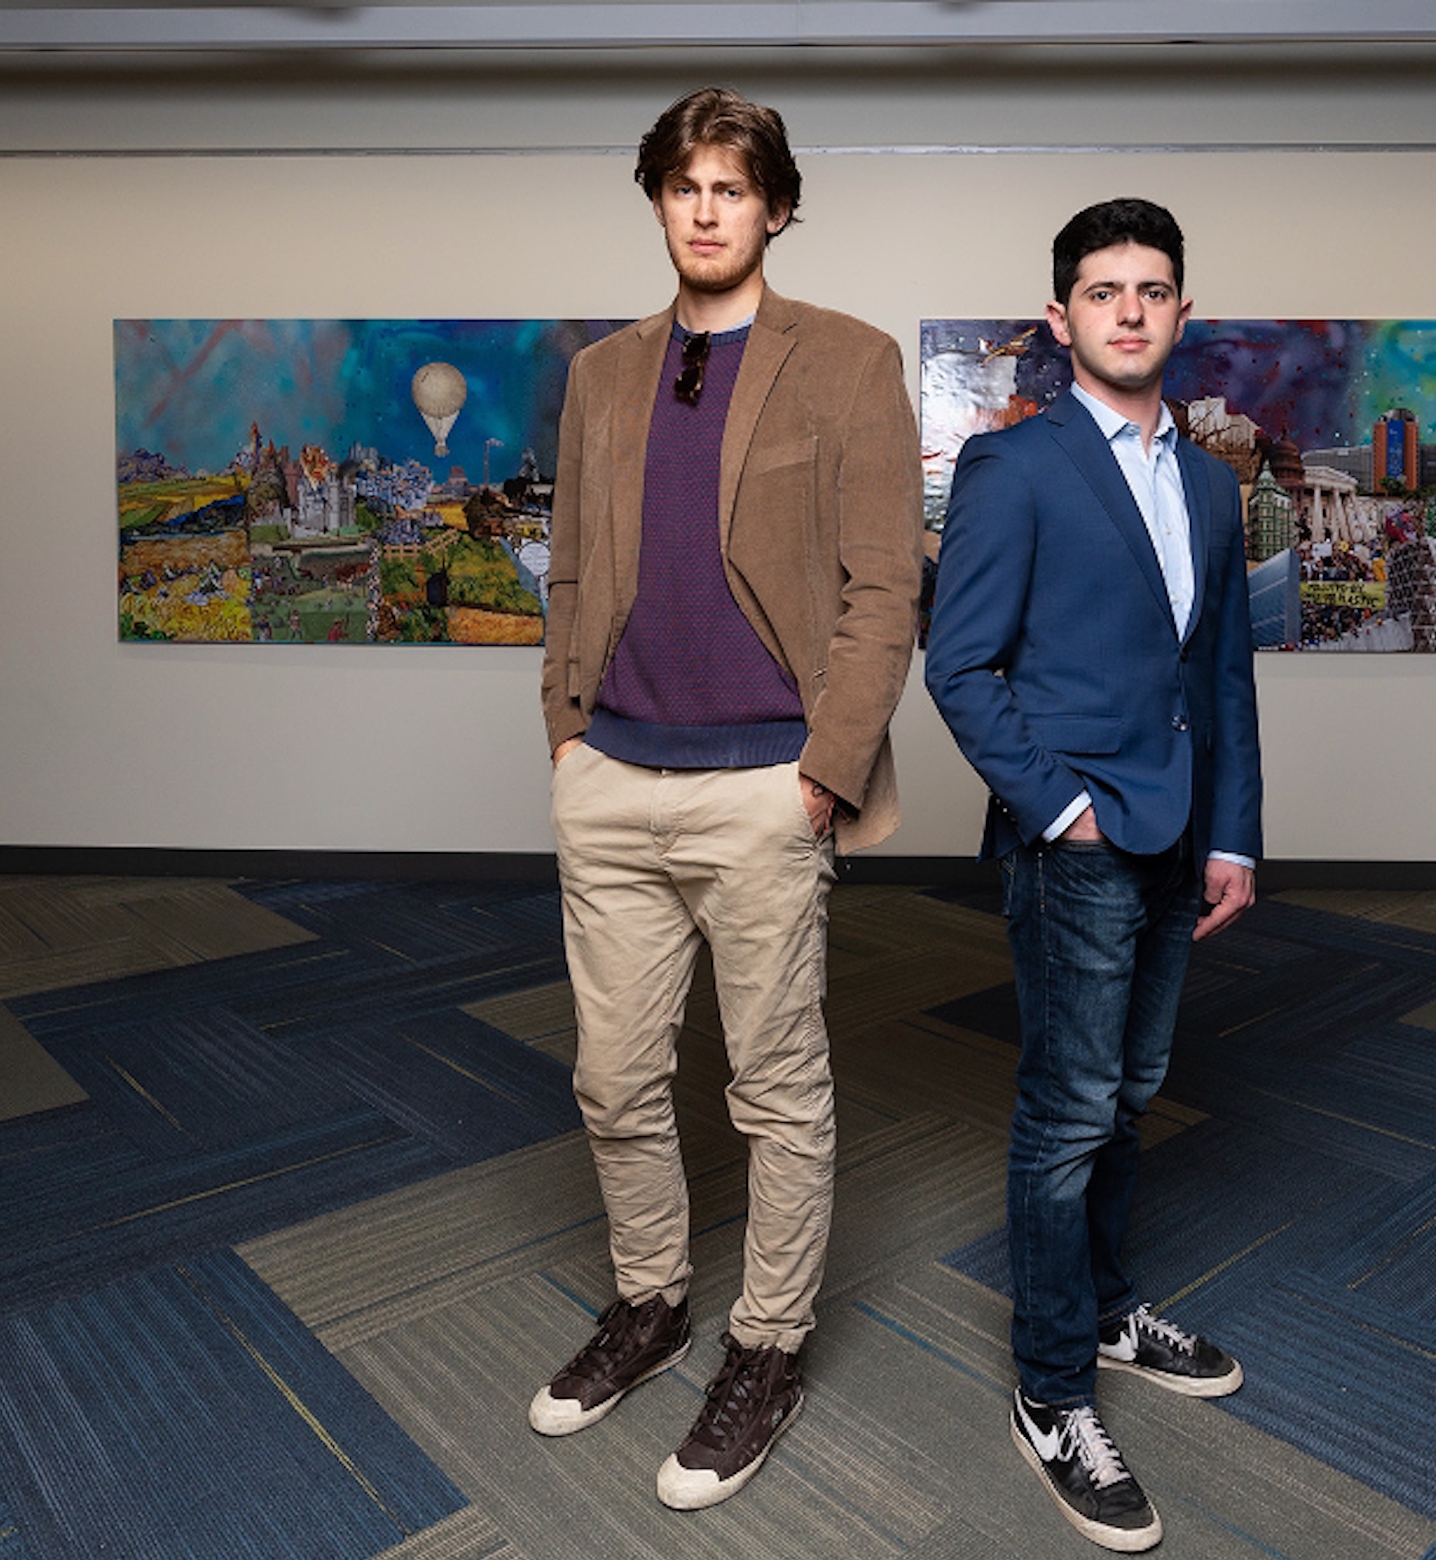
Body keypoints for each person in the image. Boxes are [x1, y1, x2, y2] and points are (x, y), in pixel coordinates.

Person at [529, 86, 923, 1512]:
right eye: (684, 185)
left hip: (766, 785)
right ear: (658, 201)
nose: (707, 208)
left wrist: (825, 770)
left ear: (774, 207)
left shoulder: (851, 362)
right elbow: (571, 569)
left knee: (775, 1092)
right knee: (615, 1079)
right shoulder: (600, 376)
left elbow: (888, 585)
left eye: (733, 187)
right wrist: (566, 738)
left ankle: (766, 1345)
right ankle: (651, 1304)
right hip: (614, 779)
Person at [924, 197, 1263, 1553]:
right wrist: (1057, 807)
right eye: (1105, 290)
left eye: (1156, 289)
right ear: (1062, 319)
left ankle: (1109, 1307)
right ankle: (1053, 1386)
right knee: (1068, 1112)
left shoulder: (1213, 483)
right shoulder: (1018, 468)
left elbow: (1221, 671)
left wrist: (1234, 831)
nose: (1132, 309)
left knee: (1130, 1091)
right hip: (1078, 845)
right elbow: (958, 666)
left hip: (1182, 838)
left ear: (1182, 313)